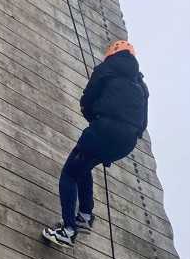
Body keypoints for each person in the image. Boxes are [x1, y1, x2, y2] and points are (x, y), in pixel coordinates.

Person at [43, 40, 149, 247]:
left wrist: (96, 119)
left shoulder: (106, 69)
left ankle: (68, 230)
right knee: (84, 166)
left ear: (112, 53)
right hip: (126, 143)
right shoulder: (141, 85)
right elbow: (143, 124)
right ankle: (84, 215)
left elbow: (87, 100)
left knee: (69, 174)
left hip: (104, 129)